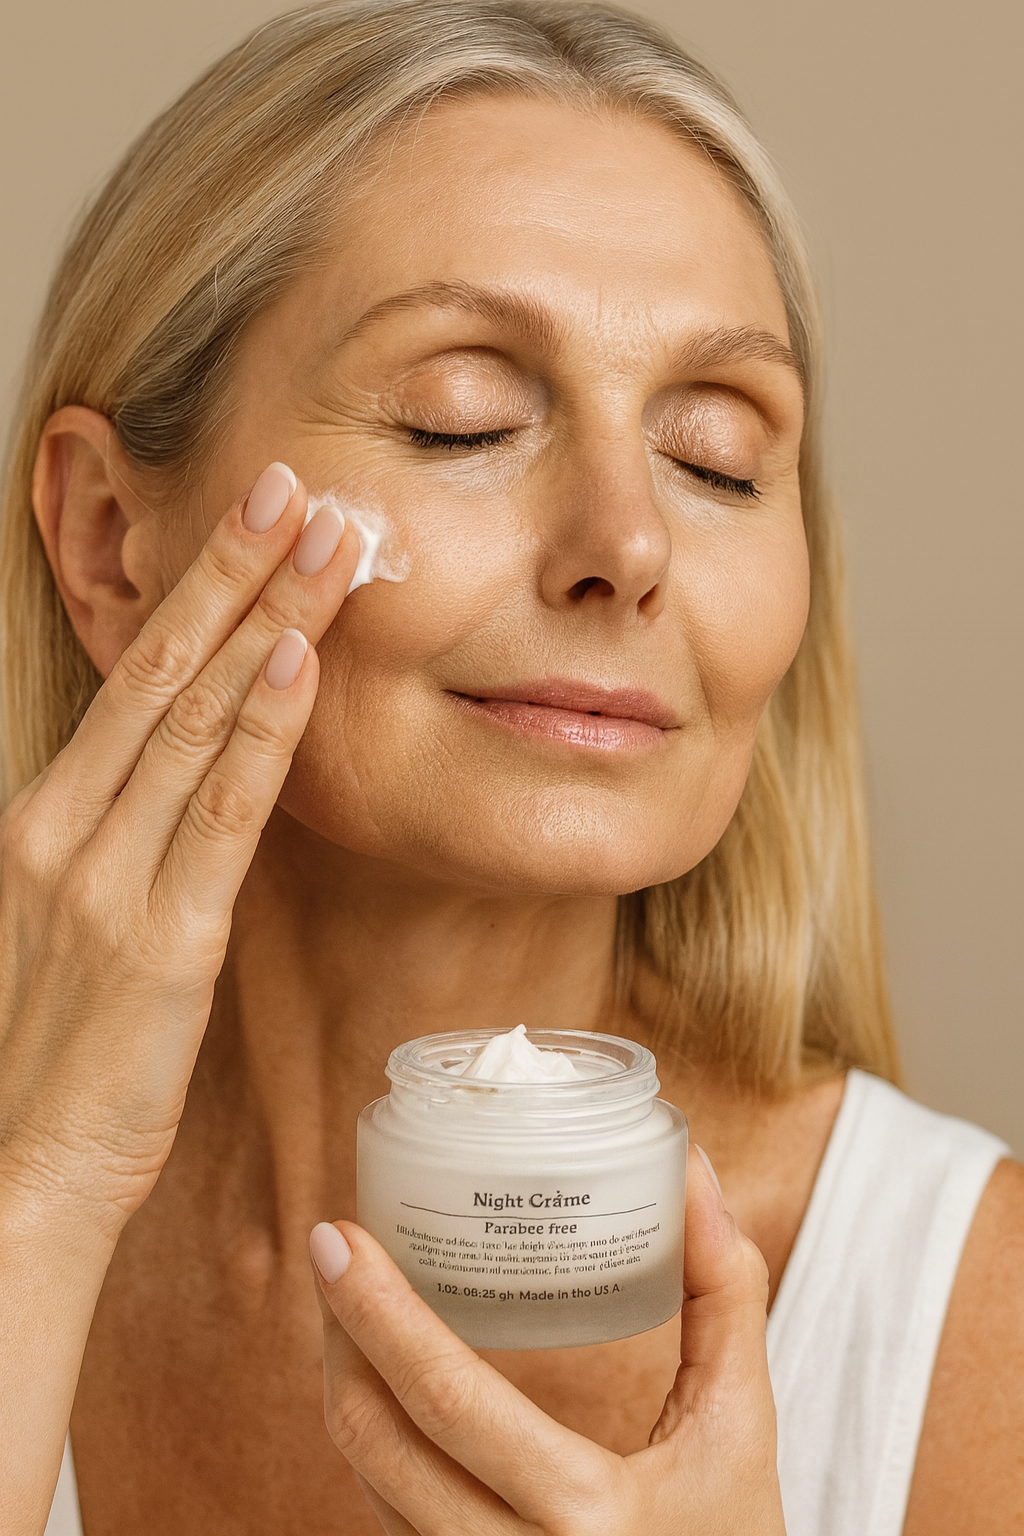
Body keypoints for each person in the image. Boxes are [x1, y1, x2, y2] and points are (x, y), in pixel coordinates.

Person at [0, 3, 1020, 1533]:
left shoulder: (964, 1319)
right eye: (459, 418)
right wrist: (44, 1192)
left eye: (718, 457)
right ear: (109, 542)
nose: (627, 543)